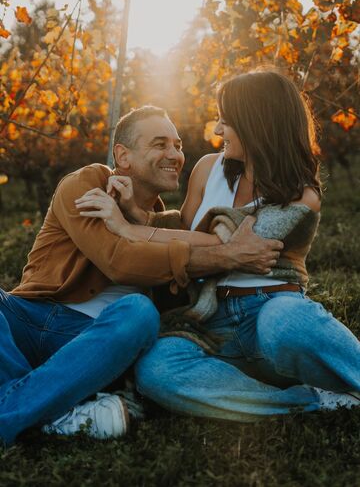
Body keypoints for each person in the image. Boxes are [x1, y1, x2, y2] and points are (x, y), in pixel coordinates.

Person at [78, 70, 360, 422]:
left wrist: (128, 228)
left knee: (285, 321)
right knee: (156, 368)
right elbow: (184, 229)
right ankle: (311, 404)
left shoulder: (302, 195)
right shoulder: (208, 168)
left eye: (225, 121)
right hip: (211, 323)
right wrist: (138, 214)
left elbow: (227, 243)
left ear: (256, 123)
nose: (216, 130)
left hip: (271, 316)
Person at [0, 105, 284, 447]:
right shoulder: (88, 183)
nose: (175, 155)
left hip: (98, 343)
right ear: (123, 155)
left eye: (177, 145)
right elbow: (117, 261)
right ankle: (45, 412)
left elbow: (178, 291)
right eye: (160, 144)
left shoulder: (168, 223)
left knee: (138, 312)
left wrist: (139, 223)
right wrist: (224, 255)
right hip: (31, 319)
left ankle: (20, 410)